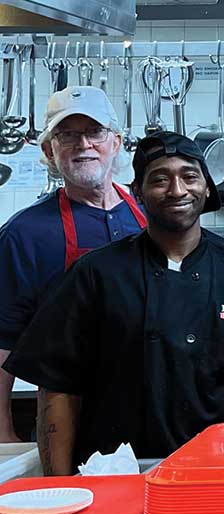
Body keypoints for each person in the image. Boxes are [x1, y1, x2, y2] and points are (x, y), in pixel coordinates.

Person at [4, 132, 224, 474]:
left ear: (206, 189)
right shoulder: (95, 273)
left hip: (215, 471)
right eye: (160, 179)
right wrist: (59, 483)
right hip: (110, 473)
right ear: (138, 192)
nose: (177, 190)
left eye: (189, 177)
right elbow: (56, 387)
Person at [0, 87, 146, 443]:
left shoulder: (149, 215)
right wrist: (2, 432)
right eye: (68, 135)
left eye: (95, 132)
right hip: (70, 419)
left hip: (159, 414)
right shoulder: (25, 234)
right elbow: (1, 341)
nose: (84, 145)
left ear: (116, 142)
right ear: (49, 150)